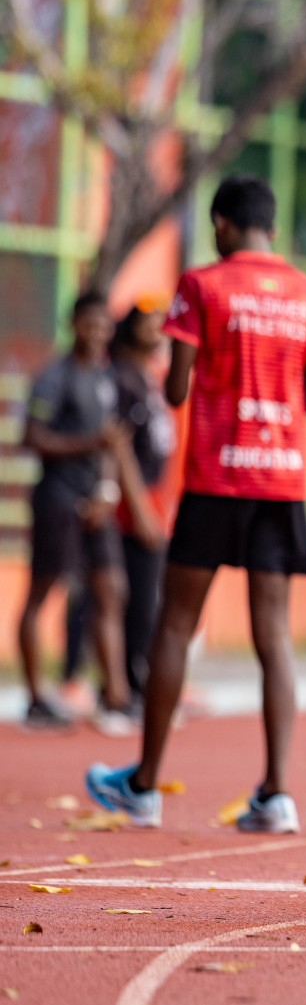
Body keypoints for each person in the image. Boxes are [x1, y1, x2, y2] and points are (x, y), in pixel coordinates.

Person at [85, 175, 306, 833]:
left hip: (216, 479)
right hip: (282, 481)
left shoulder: (201, 285)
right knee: (273, 636)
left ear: (222, 224)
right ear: (272, 229)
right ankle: (278, 795)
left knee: (173, 624)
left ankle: (143, 785)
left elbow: (175, 390)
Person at [16, 292, 138, 735]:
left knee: (111, 590)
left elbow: (111, 442)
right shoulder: (54, 377)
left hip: (94, 504)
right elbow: (31, 436)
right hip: (57, 500)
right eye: (90, 324)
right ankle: (34, 698)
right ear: (73, 324)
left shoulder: (105, 378)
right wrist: (89, 444)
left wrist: (106, 490)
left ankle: (117, 698)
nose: (97, 333)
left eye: (104, 325)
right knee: (42, 592)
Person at [56, 296, 178, 715]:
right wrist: (134, 504)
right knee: (103, 595)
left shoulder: (149, 378)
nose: (158, 328)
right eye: (149, 320)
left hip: (148, 507)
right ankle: (82, 679)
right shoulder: (119, 379)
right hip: (122, 511)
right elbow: (117, 443)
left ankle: (127, 686)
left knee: (132, 599)